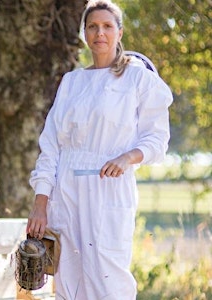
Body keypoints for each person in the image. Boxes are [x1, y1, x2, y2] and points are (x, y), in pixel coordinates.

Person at [25, 0, 173, 298]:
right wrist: (40, 203)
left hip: (109, 189)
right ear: (84, 33)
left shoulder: (137, 78)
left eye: (107, 26)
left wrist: (128, 157)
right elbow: (51, 146)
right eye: (92, 26)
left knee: (109, 278)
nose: (99, 33)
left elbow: (157, 139)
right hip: (65, 192)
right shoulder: (71, 81)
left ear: (119, 32)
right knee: (68, 279)